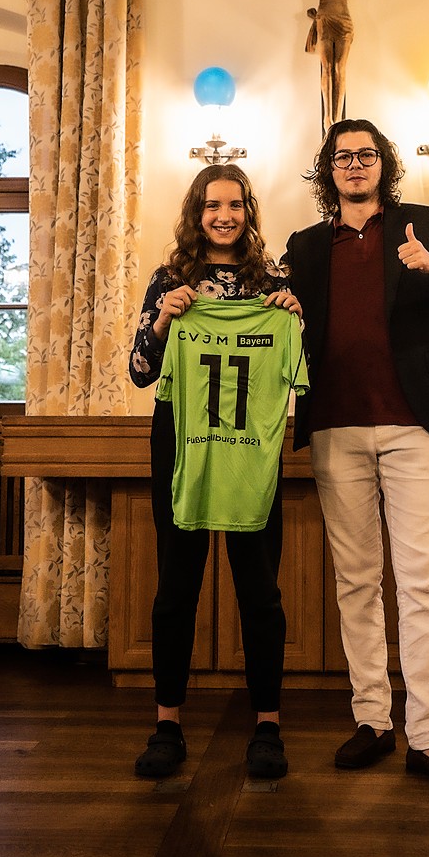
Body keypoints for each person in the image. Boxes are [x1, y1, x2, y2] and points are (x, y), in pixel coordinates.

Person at [282, 118, 429, 790]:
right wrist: (279, 304)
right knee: (356, 582)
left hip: (412, 426)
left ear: (384, 164)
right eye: (342, 157)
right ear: (327, 171)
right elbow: (274, 313)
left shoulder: (423, 225)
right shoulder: (305, 246)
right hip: (335, 428)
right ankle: (373, 721)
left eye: (366, 154)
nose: (354, 165)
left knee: (422, 583)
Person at [129, 163, 303, 781]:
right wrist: (163, 319)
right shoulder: (169, 280)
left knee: (260, 589)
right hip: (181, 442)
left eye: (234, 205)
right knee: (176, 585)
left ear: (248, 212)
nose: (223, 216)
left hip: (250, 446)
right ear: (196, 214)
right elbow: (141, 371)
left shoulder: (273, 282)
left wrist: (293, 316)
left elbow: (301, 367)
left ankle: (267, 726)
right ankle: (167, 724)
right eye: (212, 206)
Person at [242, 0, 428, 129]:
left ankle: (338, 119)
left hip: (343, 21)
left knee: (339, 67)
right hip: (324, 19)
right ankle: (328, 119)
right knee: (327, 68)